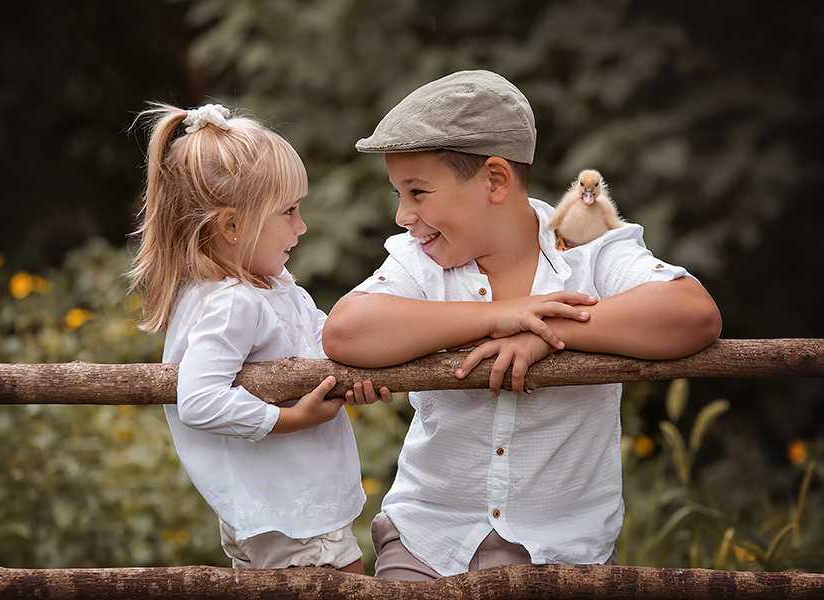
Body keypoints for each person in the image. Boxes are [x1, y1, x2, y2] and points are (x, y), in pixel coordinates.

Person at [322, 70, 722, 580]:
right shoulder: (418, 262)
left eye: (418, 192)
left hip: (569, 553)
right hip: (429, 542)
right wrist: (497, 316)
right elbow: (347, 330)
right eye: (399, 193)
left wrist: (546, 332)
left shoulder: (590, 249)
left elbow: (692, 313)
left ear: (495, 180)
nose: (403, 214)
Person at [128, 102, 390, 574]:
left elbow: (331, 345)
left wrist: (360, 376)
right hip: (289, 514)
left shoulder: (272, 287)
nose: (301, 226)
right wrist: (293, 419)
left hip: (288, 506)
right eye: (289, 211)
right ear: (231, 226)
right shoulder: (232, 303)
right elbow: (200, 400)